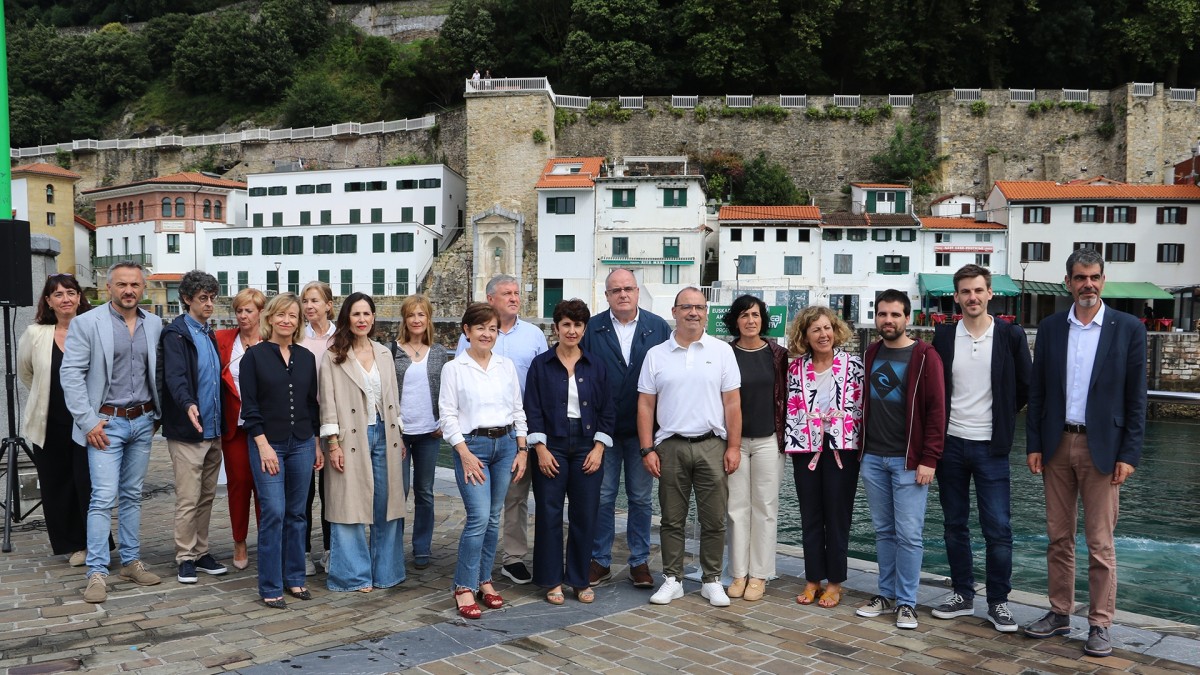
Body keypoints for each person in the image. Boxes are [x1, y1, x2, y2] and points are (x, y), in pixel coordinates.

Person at [1024, 248, 1146, 658]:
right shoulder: (1053, 327)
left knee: (1099, 543)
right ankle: (1059, 613)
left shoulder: (1128, 328)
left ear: (1103, 280)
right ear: (1068, 282)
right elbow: (1037, 392)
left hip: (1104, 449)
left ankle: (1099, 624)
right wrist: (1035, 444)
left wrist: (1129, 454)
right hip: (1057, 444)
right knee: (1058, 538)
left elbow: (1137, 399)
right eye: (1080, 278)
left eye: (1094, 277)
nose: (1087, 285)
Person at [930, 265, 1032, 632]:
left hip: (991, 446)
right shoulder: (942, 337)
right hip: (951, 444)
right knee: (955, 525)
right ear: (956, 297)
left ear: (990, 293)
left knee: (998, 528)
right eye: (965, 292)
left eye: (978, 290)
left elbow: (1024, 386)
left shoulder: (1010, 336)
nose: (972, 297)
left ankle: (999, 601)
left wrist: (1002, 417)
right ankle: (962, 593)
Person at [61, 261, 164, 603]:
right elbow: (71, 375)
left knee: (133, 495)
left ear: (142, 288)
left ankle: (131, 562)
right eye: (122, 284)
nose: (129, 290)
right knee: (103, 498)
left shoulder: (155, 324)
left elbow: (158, 374)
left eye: (135, 284)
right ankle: (96, 572)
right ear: (109, 288)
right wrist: (87, 421)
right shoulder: (87, 323)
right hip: (105, 425)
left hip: (143, 420)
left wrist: (157, 416)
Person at [638, 287, 742, 607]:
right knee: (671, 518)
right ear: (675, 311)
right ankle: (673, 578)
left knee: (714, 520)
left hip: (712, 443)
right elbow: (645, 404)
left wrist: (734, 447)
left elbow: (733, 402)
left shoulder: (722, 351)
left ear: (706, 312)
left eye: (699, 307)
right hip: (670, 446)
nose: (693, 313)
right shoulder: (656, 354)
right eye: (686, 307)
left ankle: (712, 579)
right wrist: (647, 449)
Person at [854, 288, 945, 630]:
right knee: (883, 531)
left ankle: (907, 602)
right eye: (882, 314)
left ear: (908, 318)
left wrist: (930, 458)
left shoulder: (925, 356)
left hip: (909, 461)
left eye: (895, 314)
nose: (888, 320)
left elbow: (937, 411)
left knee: (909, 534)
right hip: (874, 457)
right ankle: (886, 594)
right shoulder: (871, 353)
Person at [455, 274, 546, 585]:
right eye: (507, 293)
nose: (514, 298)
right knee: (483, 513)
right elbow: (458, 383)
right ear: (490, 298)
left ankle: (513, 558)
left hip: (516, 429)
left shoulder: (534, 335)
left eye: (517, 292)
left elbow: (542, 382)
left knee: (517, 497)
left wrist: (528, 439)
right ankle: (476, 573)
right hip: (477, 435)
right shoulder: (471, 338)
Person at [440, 302, 529, 619]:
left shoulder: (505, 366)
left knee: (493, 518)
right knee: (478, 517)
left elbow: (518, 410)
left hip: (505, 446)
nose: (487, 334)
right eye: (481, 328)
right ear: (467, 331)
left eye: (493, 329)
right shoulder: (454, 368)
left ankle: (484, 580)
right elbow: (448, 416)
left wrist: (522, 449)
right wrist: (463, 454)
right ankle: (463, 586)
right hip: (472, 447)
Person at [582, 269, 668, 589]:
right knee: (603, 496)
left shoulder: (657, 328)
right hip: (603, 431)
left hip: (642, 431)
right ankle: (600, 559)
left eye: (628, 288)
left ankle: (639, 561)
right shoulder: (593, 328)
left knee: (641, 498)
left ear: (637, 292)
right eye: (615, 290)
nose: (622, 294)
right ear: (606, 296)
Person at [524, 299, 614, 605]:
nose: (572, 330)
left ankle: (578, 578)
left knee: (585, 514)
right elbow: (532, 409)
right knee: (548, 513)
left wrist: (600, 447)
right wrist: (540, 448)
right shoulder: (541, 365)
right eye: (566, 324)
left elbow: (607, 410)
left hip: (588, 445)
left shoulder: (596, 365)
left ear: (584, 329)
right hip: (552, 445)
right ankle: (551, 580)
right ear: (556, 328)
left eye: (577, 325)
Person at [319, 293, 407, 593]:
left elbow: (393, 399)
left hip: (386, 434)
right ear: (347, 318)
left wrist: (400, 435)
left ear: (373, 317)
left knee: (387, 503)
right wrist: (332, 443)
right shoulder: (333, 356)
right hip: (349, 437)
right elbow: (327, 403)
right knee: (349, 505)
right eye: (356, 314)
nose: (362, 320)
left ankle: (386, 571)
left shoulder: (384, 353)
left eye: (366, 314)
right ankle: (353, 576)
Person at [240, 293, 323, 608]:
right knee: (273, 512)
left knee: (297, 513)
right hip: (268, 443)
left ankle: (295, 578)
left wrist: (316, 444)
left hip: (302, 442)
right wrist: (262, 446)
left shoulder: (305, 357)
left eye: (293, 315)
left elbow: (309, 405)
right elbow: (250, 408)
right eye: (282, 315)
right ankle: (270, 584)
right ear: (270, 318)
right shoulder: (254, 356)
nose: (287, 320)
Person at [784, 305, 864, 610]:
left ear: (836, 330)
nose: (823, 334)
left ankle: (835, 583)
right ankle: (813, 578)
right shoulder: (794, 369)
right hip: (805, 449)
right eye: (815, 329)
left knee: (837, 517)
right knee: (811, 516)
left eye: (827, 327)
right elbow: (788, 408)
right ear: (805, 334)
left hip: (843, 450)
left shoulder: (854, 366)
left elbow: (862, 407)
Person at [17, 274, 98, 567]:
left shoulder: (92, 329)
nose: (66, 298)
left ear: (79, 297)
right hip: (50, 423)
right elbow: (27, 373)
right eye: (58, 294)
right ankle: (74, 545)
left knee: (89, 484)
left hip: (87, 422)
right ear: (48, 301)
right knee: (57, 485)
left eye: (71, 292)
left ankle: (96, 543)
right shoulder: (35, 334)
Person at [160, 270, 228, 584]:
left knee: (206, 497)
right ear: (187, 299)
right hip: (189, 431)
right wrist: (187, 403)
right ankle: (184, 557)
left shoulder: (208, 332)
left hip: (213, 429)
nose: (209, 303)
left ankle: (201, 552)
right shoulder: (176, 334)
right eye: (203, 298)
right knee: (188, 498)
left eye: (212, 298)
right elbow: (175, 377)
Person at [722, 295, 788, 603]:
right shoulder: (724, 353)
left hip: (767, 440)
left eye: (756, 315)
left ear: (764, 320)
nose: (751, 320)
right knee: (736, 509)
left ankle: (759, 575)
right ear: (735, 320)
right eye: (745, 315)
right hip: (732, 442)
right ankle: (738, 573)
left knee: (765, 509)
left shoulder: (778, 355)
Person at [390, 294, 448, 570]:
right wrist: (394, 429)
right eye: (411, 315)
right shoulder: (392, 351)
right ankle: (392, 547)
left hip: (429, 433)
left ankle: (422, 548)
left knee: (424, 491)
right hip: (400, 433)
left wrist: (443, 422)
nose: (416, 320)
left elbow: (447, 391)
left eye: (421, 315)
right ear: (405, 319)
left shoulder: (437, 351)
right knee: (398, 491)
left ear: (428, 319)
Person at [215, 288, 267, 571]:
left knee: (265, 487)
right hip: (235, 425)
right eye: (239, 311)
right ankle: (239, 541)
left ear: (260, 312)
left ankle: (266, 541)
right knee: (238, 485)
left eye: (249, 310)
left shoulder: (270, 341)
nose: (243, 316)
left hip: (266, 427)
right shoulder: (223, 340)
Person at [301, 280, 336, 575]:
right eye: (305, 301)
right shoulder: (299, 337)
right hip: (303, 420)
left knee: (331, 490)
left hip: (335, 421)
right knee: (304, 492)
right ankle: (303, 550)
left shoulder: (342, 338)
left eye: (315, 300)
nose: (309, 306)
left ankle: (329, 549)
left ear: (328, 304)